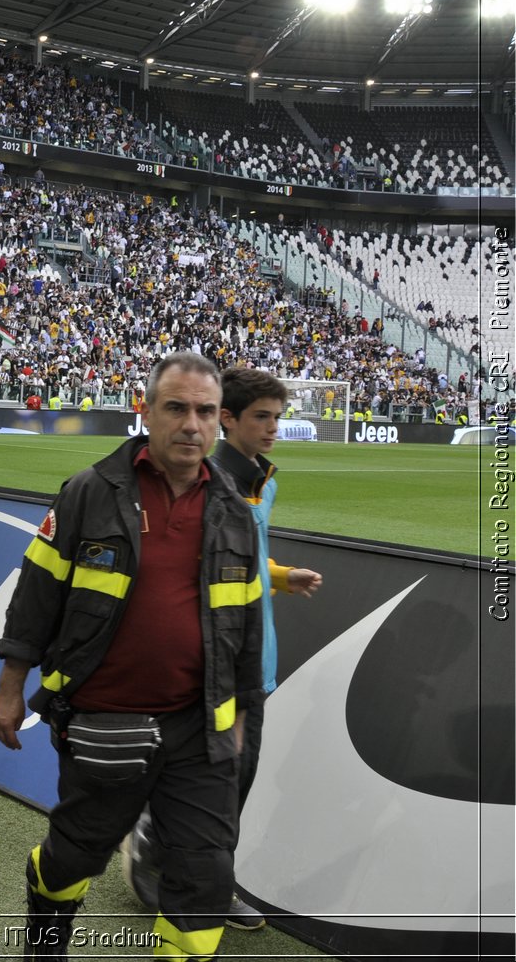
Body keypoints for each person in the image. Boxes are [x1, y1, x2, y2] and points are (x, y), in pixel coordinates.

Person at [0, 351, 264, 960]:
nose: (192, 425)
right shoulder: (90, 492)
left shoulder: (235, 513)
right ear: (145, 412)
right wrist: (11, 687)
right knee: (75, 856)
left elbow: (245, 624)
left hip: (199, 728)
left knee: (205, 875)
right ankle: (45, 917)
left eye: (206, 412)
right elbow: (36, 597)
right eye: (177, 408)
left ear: (219, 421)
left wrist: (242, 713)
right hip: (104, 718)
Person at [204, 367, 322, 930]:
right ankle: (205, 888)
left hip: (258, 661)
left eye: (278, 416)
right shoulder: (201, 482)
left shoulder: (265, 481)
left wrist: (279, 576)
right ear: (227, 418)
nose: (275, 427)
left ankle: (182, 865)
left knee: (238, 780)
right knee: (218, 782)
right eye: (262, 417)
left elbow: (248, 556)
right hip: (211, 662)